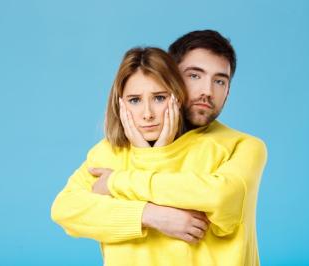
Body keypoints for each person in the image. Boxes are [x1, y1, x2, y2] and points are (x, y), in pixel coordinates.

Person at [88, 30, 268, 266]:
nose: (207, 91)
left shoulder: (244, 146)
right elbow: (68, 209)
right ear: (171, 78)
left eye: (220, 81)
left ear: (228, 90)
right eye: (195, 76)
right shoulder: (111, 151)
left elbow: (221, 197)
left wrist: (116, 182)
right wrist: (150, 215)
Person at [51, 47, 213, 265]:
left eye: (159, 98)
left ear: (178, 97)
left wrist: (121, 179)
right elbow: (65, 210)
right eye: (135, 100)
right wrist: (149, 215)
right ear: (120, 104)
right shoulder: (107, 153)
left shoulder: (207, 149)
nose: (147, 114)